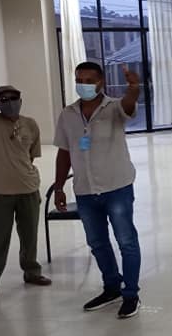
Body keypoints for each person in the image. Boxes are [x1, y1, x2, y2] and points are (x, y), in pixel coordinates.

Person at [53, 61, 143, 318]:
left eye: (89, 80)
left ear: (101, 82)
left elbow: (129, 105)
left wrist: (134, 88)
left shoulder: (114, 107)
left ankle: (131, 294)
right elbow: (64, 152)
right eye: (79, 80)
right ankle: (112, 287)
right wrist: (59, 187)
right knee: (97, 243)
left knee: (126, 241)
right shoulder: (68, 114)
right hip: (85, 190)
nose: (83, 85)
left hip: (116, 186)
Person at [0, 69, 51, 306]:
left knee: (29, 236)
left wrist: (22, 173)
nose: (9, 103)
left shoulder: (30, 124)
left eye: (13, 98)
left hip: (28, 189)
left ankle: (31, 272)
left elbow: (31, 156)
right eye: (3, 100)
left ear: (20, 100)